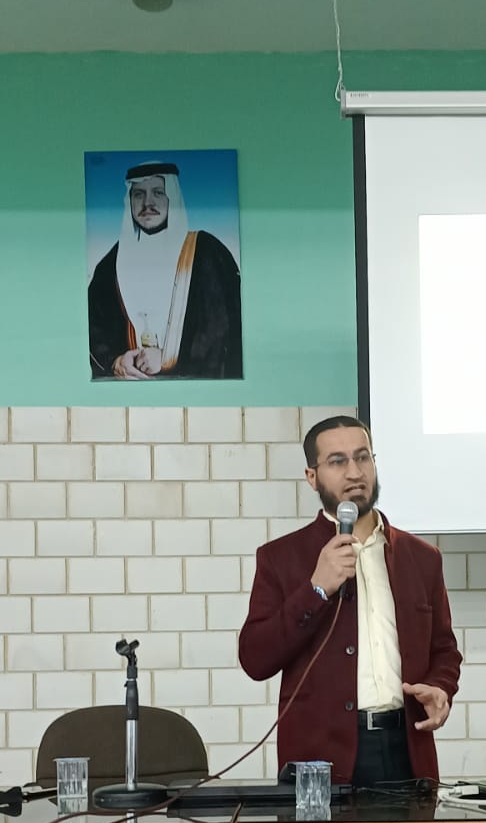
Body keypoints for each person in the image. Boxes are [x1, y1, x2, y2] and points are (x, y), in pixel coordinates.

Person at [238, 416, 462, 787]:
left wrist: (441, 687)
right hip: (320, 760)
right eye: (338, 461)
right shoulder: (281, 558)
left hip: (407, 750)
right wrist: (316, 589)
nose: (355, 472)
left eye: (362, 457)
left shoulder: (422, 557)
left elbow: (444, 650)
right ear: (312, 477)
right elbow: (255, 659)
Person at [88, 161, 242, 380]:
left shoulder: (207, 252)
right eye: (139, 194)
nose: (147, 203)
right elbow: (94, 328)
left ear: (173, 197)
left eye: (158, 193)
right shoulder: (111, 264)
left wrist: (170, 357)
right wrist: (116, 361)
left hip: (194, 386)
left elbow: (222, 330)